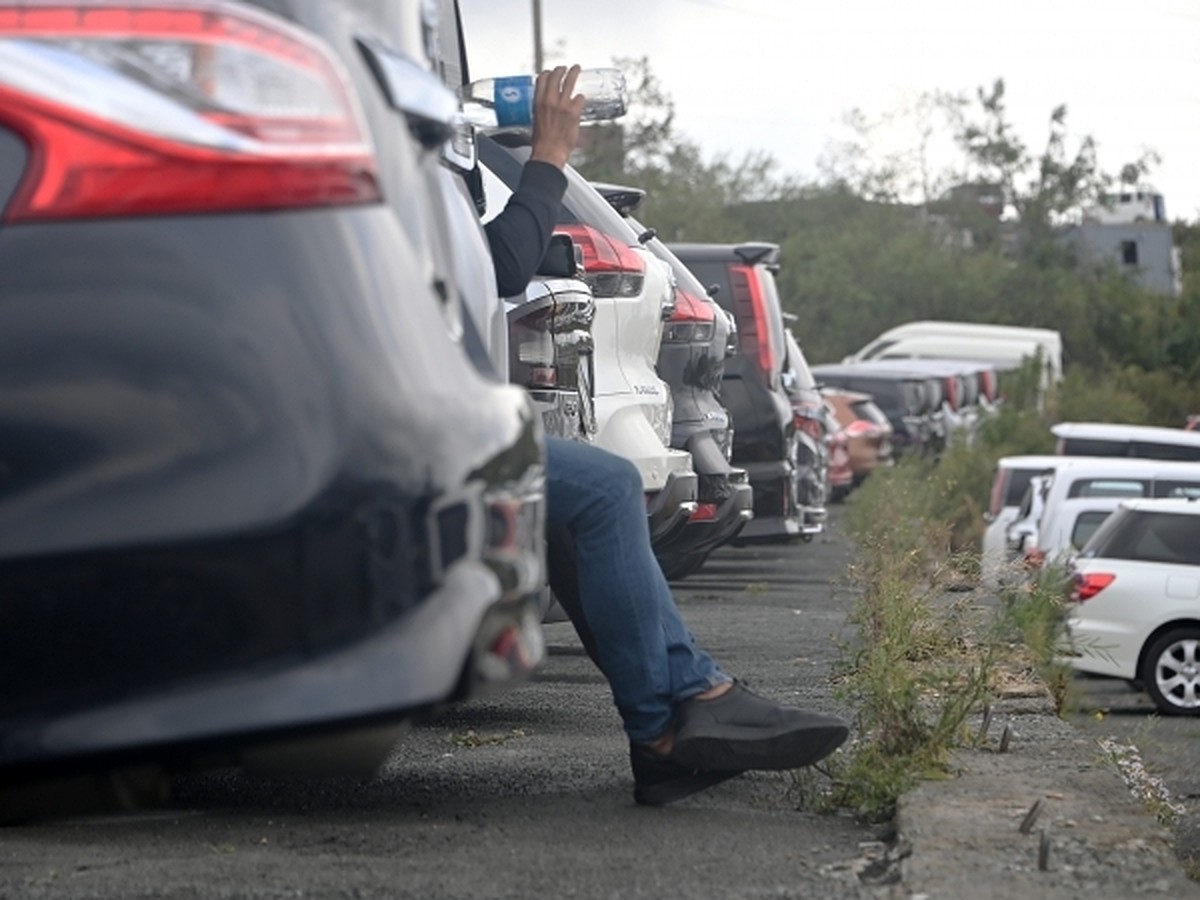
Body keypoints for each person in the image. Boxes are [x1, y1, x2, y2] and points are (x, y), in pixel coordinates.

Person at [478, 65, 848, 806]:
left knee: (591, 493)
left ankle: (682, 710)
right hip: (375, 435)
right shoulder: (351, 164)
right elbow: (501, 264)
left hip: (405, 421)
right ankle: (674, 719)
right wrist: (548, 157)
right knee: (602, 487)